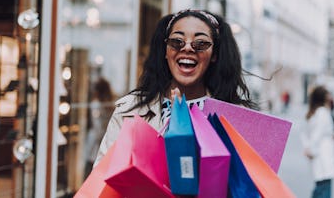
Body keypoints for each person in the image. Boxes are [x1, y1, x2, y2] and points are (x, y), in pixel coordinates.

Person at [94, 9, 258, 166]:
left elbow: (252, 186)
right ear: (165, 51)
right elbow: (102, 181)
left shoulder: (236, 118)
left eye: (200, 43)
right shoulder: (130, 110)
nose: (187, 48)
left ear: (214, 54)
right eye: (176, 42)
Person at [302, 85, 334, 198]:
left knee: (320, 187)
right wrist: (311, 150)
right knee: (324, 187)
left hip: (320, 154)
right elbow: (317, 134)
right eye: (327, 94)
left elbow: (305, 133)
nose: (330, 96)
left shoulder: (315, 112)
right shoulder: (322, 113)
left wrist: (308, 148)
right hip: (323, 155)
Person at [84, 77, 114, 176]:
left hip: (96, 144)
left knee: (91, 171)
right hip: (106, 143)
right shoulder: (110, 105)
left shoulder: (96, 104)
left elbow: (97, 127)